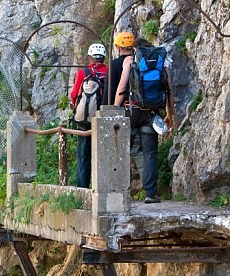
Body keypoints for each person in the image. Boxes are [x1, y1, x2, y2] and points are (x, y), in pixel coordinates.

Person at [113, 35, 176, 203]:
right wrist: (170, 114)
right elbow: (169, 90)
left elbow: (122, 87)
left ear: (135, 48)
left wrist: (114, 109)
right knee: (149, 153)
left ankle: (119, 193)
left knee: (123, 150)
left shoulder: (130, 61)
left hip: (131, 111)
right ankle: (150, 193)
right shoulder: (161, 61)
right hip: (151, 113)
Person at [69, 43, 107, 187]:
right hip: (102, 118)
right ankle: (102, 186)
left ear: (90, 57)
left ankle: (83, 187)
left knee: (83, 155)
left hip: (84, 120)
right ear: (103, 57)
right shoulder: (108, 72)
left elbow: (74, 95)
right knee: (103, 154)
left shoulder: (83, 73)